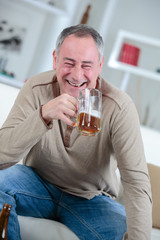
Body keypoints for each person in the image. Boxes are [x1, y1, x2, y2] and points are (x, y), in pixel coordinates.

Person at [0, 24, 152, 240]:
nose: (77, 74)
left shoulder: (119, 106)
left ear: (99, 66)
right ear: (55, 59)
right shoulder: (36, 88)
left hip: (91, 199)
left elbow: (136, 182)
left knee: (121, 232)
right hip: (36, 183)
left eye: (87, 66)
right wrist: (43, 115)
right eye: (69, 63)